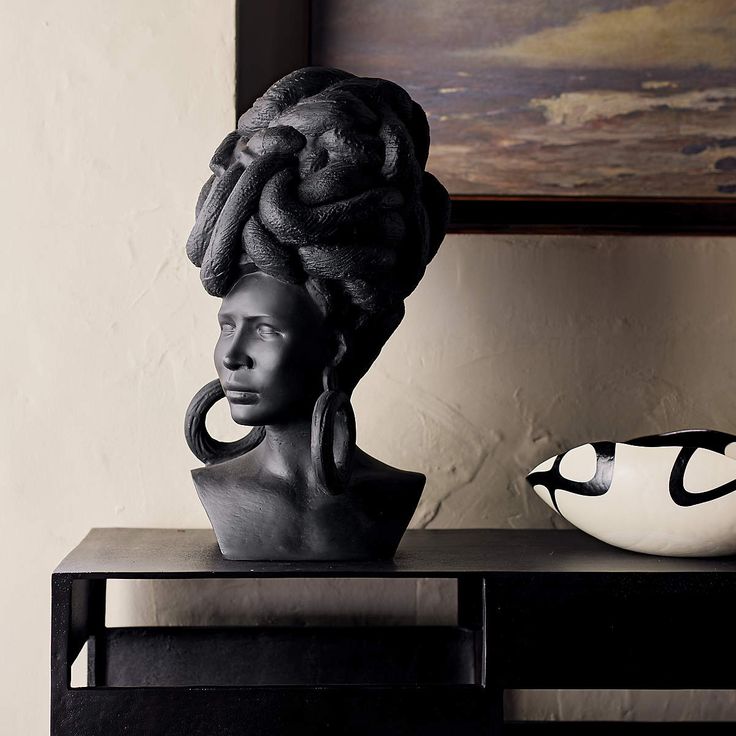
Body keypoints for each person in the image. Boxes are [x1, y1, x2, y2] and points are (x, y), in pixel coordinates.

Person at [184, 67, 450, 560]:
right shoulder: (217, 491)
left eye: (264, 331)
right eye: (227, 327)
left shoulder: (392, 494)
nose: (232, 357)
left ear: (337, 346)